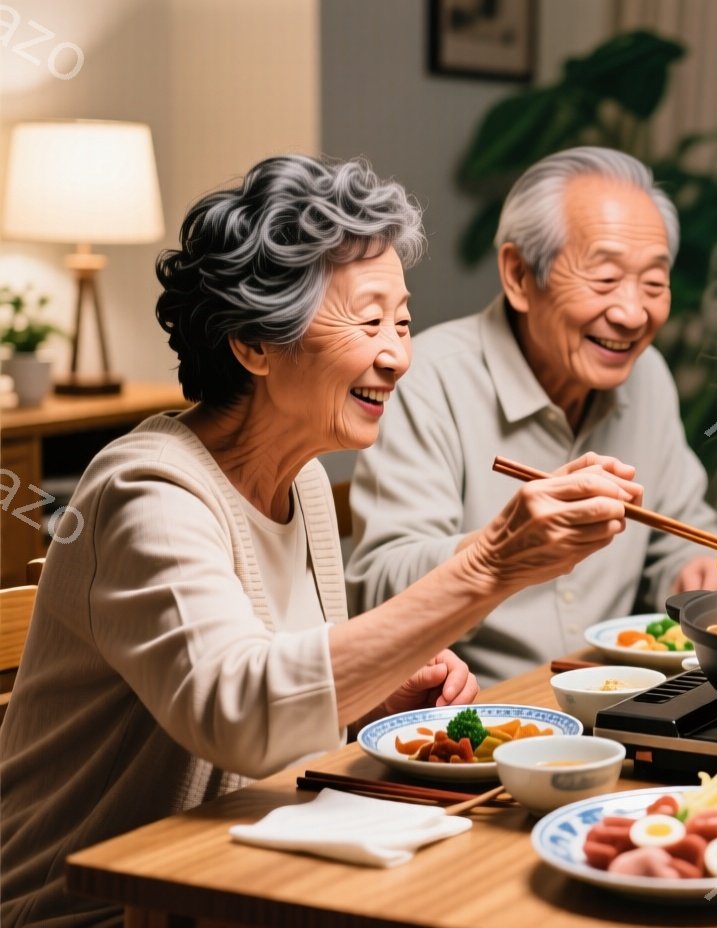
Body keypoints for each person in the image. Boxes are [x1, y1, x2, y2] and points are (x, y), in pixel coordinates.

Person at [0, 155, 638, 927]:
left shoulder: (300, 477)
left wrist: (376, 692)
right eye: (368, 322)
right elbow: (240, 714)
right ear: (255, 345)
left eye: (402, 322)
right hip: (102, 907)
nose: (399, 354)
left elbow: (278, 693)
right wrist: (489, 564)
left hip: (244, 876)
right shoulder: (148, 494)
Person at [347, 147, 717, 686]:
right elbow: (379, 586)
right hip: (473, 707)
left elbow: (682, 529)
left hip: (618, 695)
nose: (632, 313)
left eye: (653, 283)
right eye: (603, 279)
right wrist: (501, 551)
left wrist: (696, 569)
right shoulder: (429, 379)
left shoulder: (648, 377)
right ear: (520, 276)